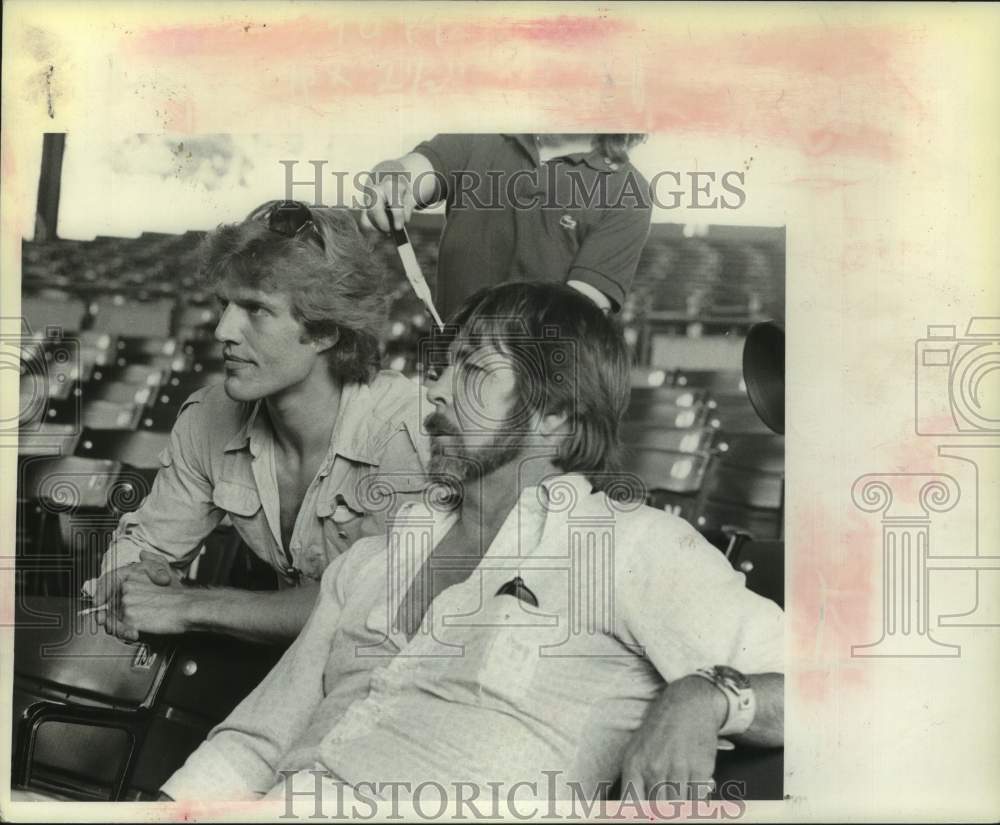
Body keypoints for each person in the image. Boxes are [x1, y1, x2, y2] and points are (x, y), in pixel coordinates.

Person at [159, 282, 783, 805]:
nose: (434, 392)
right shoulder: (372, 561)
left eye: (475, 371)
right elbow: (253, 744)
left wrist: (704, 694)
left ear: (554, 416)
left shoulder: (628, 547)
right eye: (442, 368)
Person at [83, 201, 430, 644]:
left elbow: (378, 606)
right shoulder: (208, 417)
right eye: (224, 305)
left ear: (326, 331)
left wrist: (190, 606)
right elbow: (148, 544)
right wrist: (133, 577)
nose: (223, 331)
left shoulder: (408, 431)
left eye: (256, 309)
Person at [362, 134, 652, 320]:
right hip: (449, 375)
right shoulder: (480, 140)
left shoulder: (628, 191)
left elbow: (572, 322)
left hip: (537, 387)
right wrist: (391, 181)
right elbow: (409, 170)